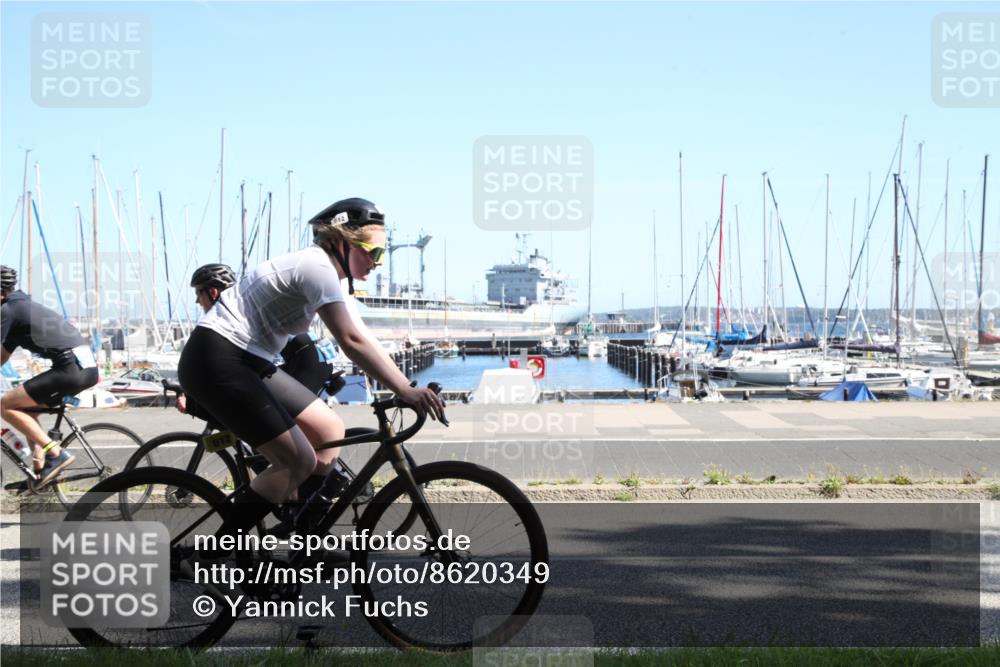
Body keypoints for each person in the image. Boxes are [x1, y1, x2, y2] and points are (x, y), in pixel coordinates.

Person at [177, 198, 444, 541]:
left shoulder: (332, 277)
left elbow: (363, 335)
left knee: (329, 428)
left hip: (250, 359)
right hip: (217, 357)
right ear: (341, 243)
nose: (378, 263)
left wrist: (406, 384)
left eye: (382, 254)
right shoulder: (316, 267)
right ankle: (210, 555)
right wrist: (404, 392)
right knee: (297, 460)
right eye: (372, 253)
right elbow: (350, 341)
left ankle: (302, 536)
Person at [0, 265, 98, 486]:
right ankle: (41, 474)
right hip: (85, 368)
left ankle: (55, 453)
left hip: (70, 368)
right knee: (24, 408)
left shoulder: (7, 311)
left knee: (6, 405)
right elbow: (2, 356)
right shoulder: (21, 307)